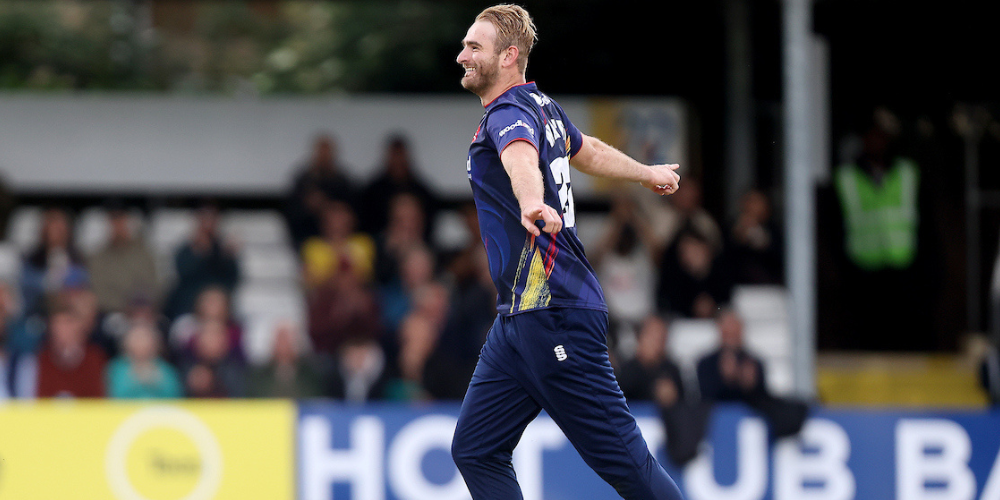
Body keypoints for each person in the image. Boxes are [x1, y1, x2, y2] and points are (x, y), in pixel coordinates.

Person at [448, 6, 683, 500]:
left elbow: (521, 161)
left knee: (626, 463)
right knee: (475, 449)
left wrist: (531, 202)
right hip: (518, 318)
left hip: (555, 311)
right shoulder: (542, 108)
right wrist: (647, 172)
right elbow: (588, 149)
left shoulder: (509, 115)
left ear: (509, 56)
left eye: (474, 47)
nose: (461, 56)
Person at [163, 202, 240, 320]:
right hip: (188, 306)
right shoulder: (186, 249)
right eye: (204, 219)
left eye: (211, 219)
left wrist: (228, 257)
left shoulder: (224, 250)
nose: (207, 224)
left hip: (219, 305)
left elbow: (233, 279)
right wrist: (198, 253)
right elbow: (182, 274)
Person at [87, 202, 159, 315]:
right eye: (113, 221)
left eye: (121, 221)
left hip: (142, 312)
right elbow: (98, 292)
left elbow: (151, 286)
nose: (118, 226)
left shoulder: (144, 254)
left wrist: (137, 307)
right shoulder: (98, 257)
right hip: (109, 313)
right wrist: (123, 308)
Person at [105, 323, 183, 399]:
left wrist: (156, 382)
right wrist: (136, 381)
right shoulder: (116, 368)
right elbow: (114, 396)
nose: (141, 343)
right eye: (137, 338)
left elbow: (176, 397)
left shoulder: (167, 370)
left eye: (145, 338)